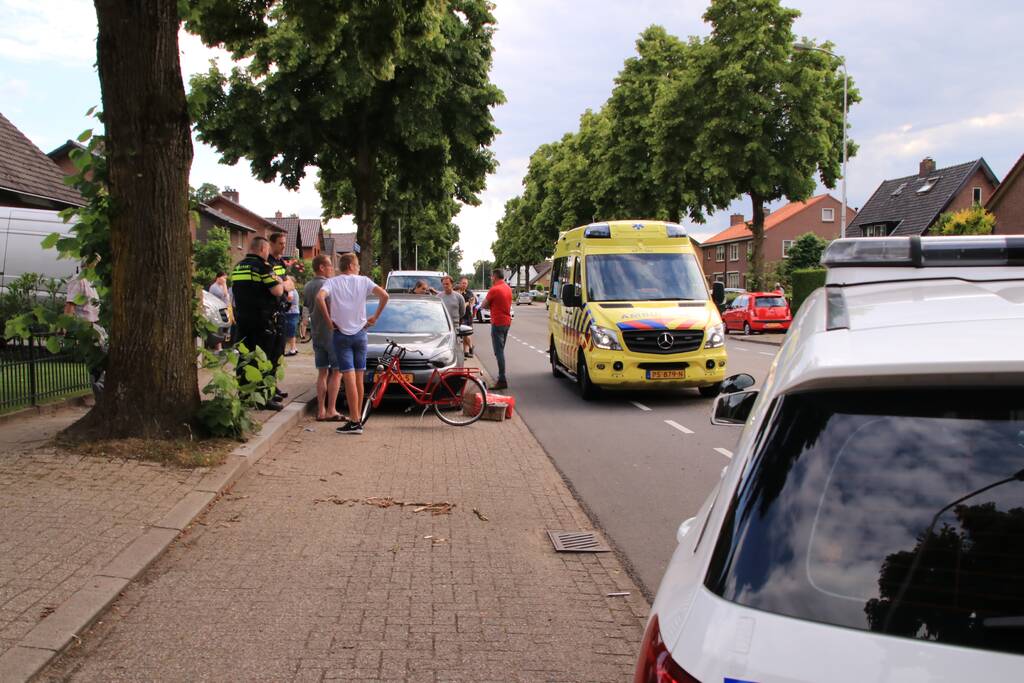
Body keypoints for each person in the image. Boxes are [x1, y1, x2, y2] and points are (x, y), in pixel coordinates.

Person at [316, 253, 390, 435]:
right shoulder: (364, 281)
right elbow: (385, 296)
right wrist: (375, 317)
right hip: (361, 334)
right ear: (350, 265)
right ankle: (358, 419)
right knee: (359, 377)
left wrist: (328, 321)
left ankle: (355, 421)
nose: (358, 268)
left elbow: (320, 298)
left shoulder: (332, 282)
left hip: (341, 334)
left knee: (348, 377)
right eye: (357, 265)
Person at [231, 236, 286, 410]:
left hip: (242, 320)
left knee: (244, 358)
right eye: (267, 249)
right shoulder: (263, 267)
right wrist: (285, 284)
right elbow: (277, 291)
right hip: (262, 321)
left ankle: (244, 394)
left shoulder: (238, 267)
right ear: (263, 249)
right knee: (264, 359)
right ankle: (263, 397)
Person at [303, 255, 343, 421]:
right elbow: (333, 307)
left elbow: (306, 308)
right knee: (337, 371)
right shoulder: (328, 285)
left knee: (322, 372)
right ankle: (331, 409)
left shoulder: (307, 286)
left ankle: (320, 410)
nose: (332, 270)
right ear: (321, 267)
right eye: (329, 267)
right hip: (331, 333)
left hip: (317, 333)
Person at [267, 232, 294, 402]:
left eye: (284, 243)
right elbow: (279, 285)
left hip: (282, 310)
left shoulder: (280, 262)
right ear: (272, 243)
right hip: (271, 311)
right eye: (280, 243)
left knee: (278, 353)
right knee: (270, 353)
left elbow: (289, 282)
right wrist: (285, 286)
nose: (283, 246)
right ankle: (268, 388)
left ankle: (273, 385)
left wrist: (287, 287)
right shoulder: (267, 262)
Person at [481, 268, 512, 390]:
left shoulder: (494, 289)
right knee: (501, 350)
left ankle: (502, 379)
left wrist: (490, 305)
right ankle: (501, 377)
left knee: (498, 352)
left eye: (491, 277)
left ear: (494, 276)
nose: (491, 279)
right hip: (506, 322)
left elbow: (484, 305)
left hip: (497, 322)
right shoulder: (508, 288)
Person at [458, 277, 476, 358]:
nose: (464, 285)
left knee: (467, 334)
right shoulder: (457, 292)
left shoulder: (469, 293)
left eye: (466, 283)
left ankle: (469, 348)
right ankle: (467, 350)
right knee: (463, 334)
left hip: (467, 316)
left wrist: (469, 305)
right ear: (460, 283)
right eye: (463, 283)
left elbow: (472, 301)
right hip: (460, 316)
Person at [284, 279, 301, 356]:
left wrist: (283, 300)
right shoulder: (294, 290)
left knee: (291, 330)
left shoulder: (290, 291)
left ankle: (293, 349)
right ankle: (294, 348)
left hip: (291, 313)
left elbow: (290, 298)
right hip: (294, 312)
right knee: (292, 330)